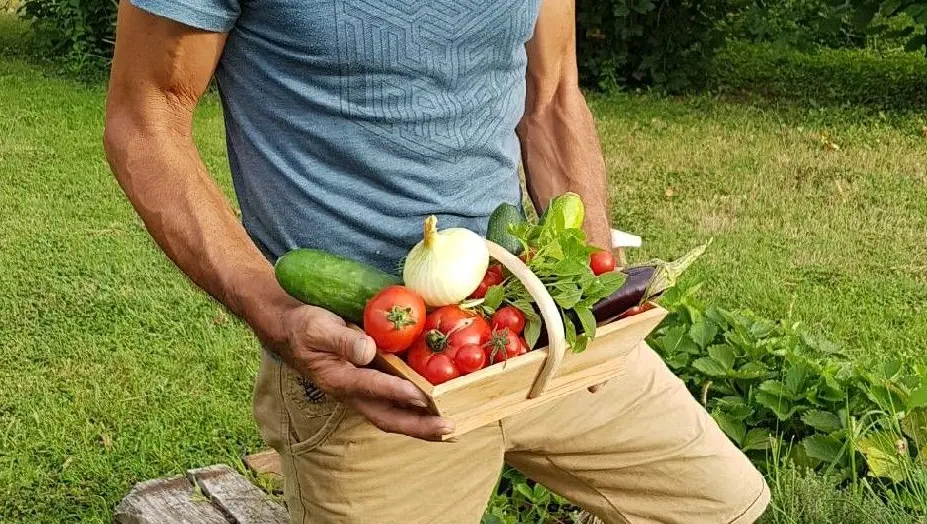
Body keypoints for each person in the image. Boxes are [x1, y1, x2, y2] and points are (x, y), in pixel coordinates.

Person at [103, 1, 770, 522]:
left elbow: (551, 96)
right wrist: (276, 315)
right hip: (376, 371)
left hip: (526, 320)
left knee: (719, 505)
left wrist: (591, 290)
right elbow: (145, 119)